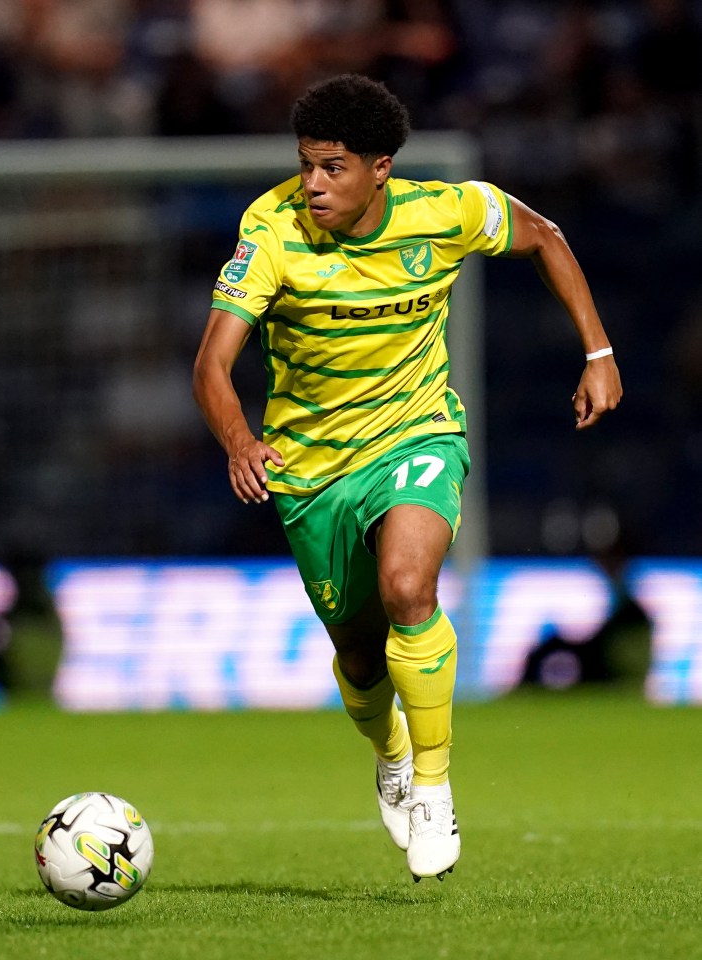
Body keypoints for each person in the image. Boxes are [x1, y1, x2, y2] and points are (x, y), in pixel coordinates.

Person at [192, 73, 622, 881]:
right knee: (359, 658)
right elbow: (212, 363)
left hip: (415, 432)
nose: (311, 185)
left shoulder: (448, 211)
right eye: (305, 165)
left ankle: (432, 784)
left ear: (380, 167)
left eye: (332, 169)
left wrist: (597, 353)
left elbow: (546, 237)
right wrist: (238, 440)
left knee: (408, 589)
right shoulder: (272, 228)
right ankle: (389, 749)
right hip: (310, 466)